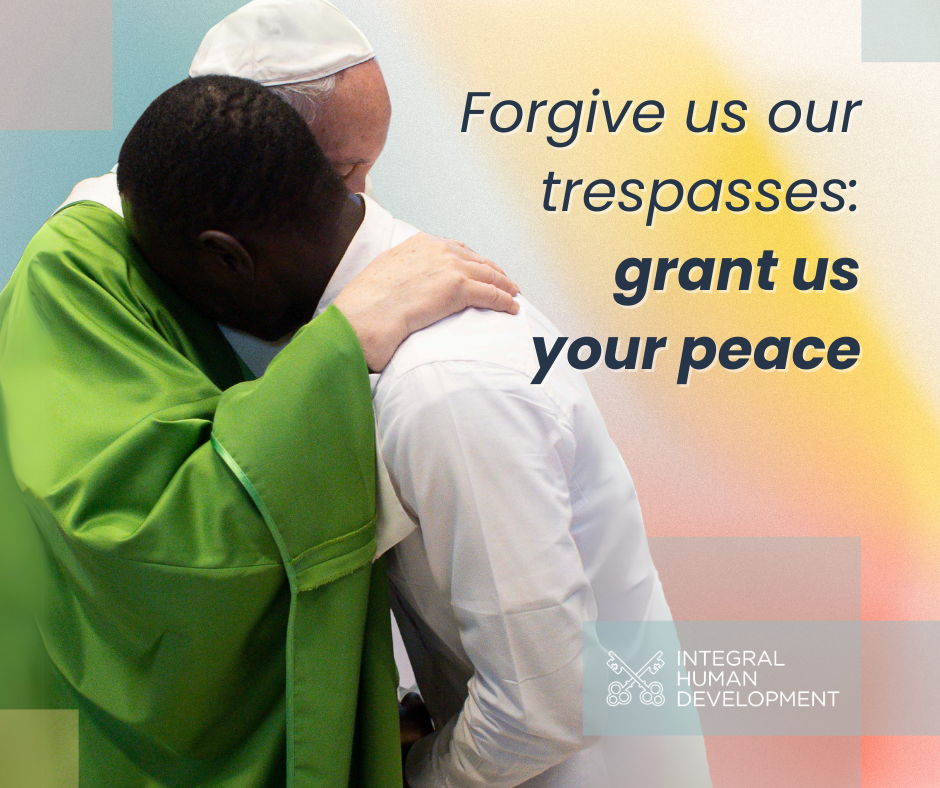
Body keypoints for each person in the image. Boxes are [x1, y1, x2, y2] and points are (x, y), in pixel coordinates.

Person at [0, 75, 518, 788]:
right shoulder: (72, 272)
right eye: (343, 169)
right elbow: (152, 540)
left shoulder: (449, 363)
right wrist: (339, 345)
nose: (358, 194)